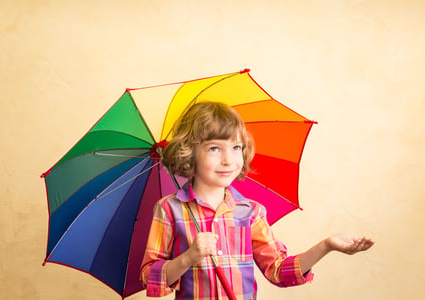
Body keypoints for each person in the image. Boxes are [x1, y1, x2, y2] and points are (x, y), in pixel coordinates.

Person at [140, 101, 374, 299]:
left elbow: (279, 271)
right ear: (189, 152)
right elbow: (149, 277)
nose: (228, 160)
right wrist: (188, 257)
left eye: (235, 147)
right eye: (214, 148)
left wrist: (327, 245)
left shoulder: (250, 212)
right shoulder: (169, 209)